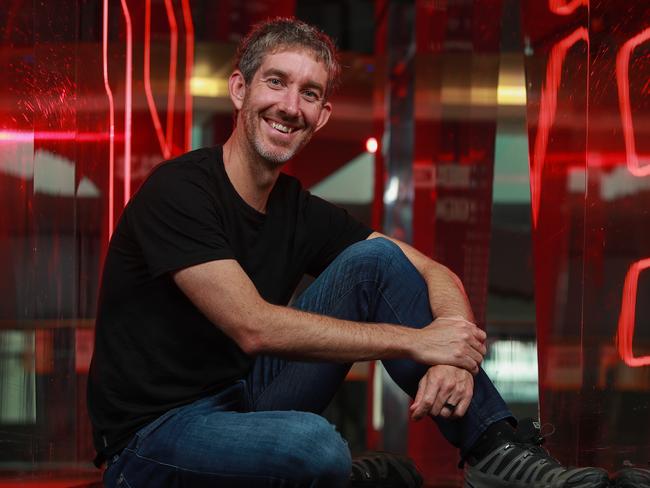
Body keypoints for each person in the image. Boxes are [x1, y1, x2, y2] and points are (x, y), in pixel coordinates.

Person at [87, 17, 611, 488]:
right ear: (240, 89)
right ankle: (335, 476)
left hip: (241, 402)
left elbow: (429, 268)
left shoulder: (296, 208)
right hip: (151, 439)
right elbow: (253, 326)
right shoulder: (180, 191)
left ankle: (495, 450)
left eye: (309, 93)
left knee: (378, 264)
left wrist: (452, 348)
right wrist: (417, 343)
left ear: (323, 115)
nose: (290, 106)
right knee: (315, 446)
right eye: (276, 82)